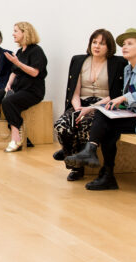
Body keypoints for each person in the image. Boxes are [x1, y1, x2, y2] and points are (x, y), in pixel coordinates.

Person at [66, 28, 136, 190]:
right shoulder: (128, 69)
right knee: (105, 118)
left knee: (106, 122)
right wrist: (96, 107)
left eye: (129, 44)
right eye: (123, 44)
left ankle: (98, 161)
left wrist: (124, 98)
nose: (124, 47)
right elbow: (125, 97)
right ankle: (105, 172)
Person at [53, 29, 127, 181]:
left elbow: (115, 94)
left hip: (103, 105)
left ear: (109, 47)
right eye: (94, 42)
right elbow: (74, 90)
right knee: (61, 126)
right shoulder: (79, 60)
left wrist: (93, 108)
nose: (97, 46)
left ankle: (75, 163)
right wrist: (78, 107)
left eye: (102, 43)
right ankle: (72, 160)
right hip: (81, 103)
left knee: (84, 126)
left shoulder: (118, 63)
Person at [0, 22, 48, 152]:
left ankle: (16, 137)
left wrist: (17, 62)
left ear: (25, 33)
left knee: (8, 102)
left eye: (16, 31)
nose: (13, 34)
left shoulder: (36, 51)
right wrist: (8, 85)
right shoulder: (20, 51)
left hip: (33, 91)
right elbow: (14, 71)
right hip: (18, 88)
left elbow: (35, 72)